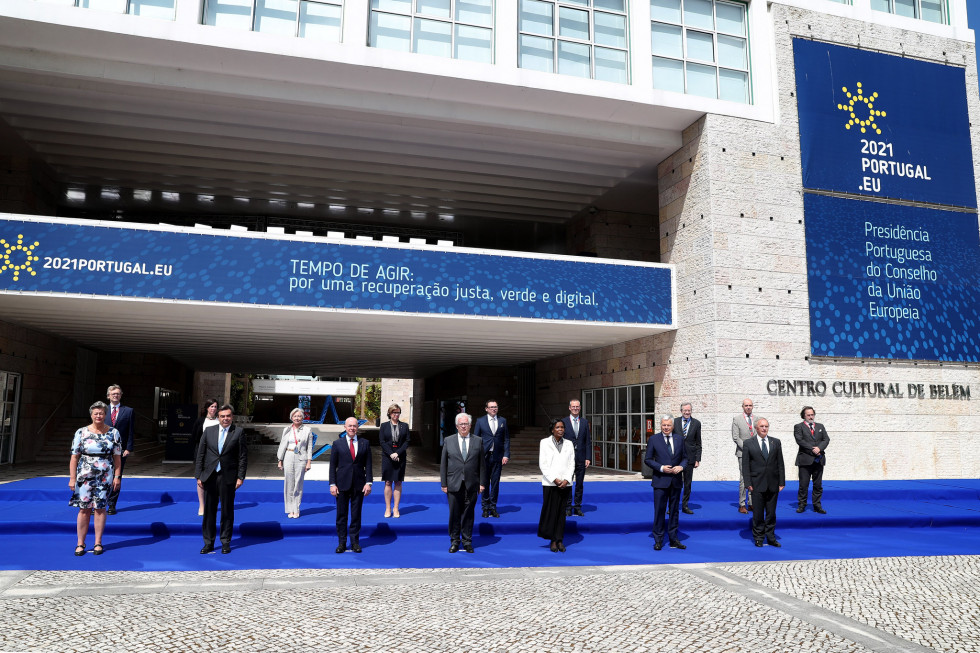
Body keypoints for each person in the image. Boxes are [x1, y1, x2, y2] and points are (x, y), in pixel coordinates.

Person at [69, 401, 122, 556]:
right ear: (91, 415)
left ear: (105, 415)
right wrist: (72, 478)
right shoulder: (81, 432)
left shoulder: (113, 433)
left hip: (105, 475)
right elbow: (74, 457)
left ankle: (98, 542)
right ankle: (80, 543)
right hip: (84, 475)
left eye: (101, 413)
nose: (98, 416)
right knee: (84, 509)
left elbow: (117, 458)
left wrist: (117, 477)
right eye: (96, 413)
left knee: (100, 508)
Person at [196, 404, 248, 554]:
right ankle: (208, 543)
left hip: (228, 477)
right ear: (218, 417)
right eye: (222, 416)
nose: (225, 419)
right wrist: (199, 475)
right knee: (209, 512)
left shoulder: (238, 432)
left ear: (232, 417)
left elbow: (243, 457)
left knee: (227, 510)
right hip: (210, 476)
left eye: (228, 416)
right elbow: (201, 454)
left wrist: (240, 477)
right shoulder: (208, 431)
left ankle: (225, 542)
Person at [440, 412, 487, 553]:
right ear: (457, 426)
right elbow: (443, 464)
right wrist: (444, 483)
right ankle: (454, 541)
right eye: (461, 424)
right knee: (454, 514)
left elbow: (482, 465)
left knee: (468, 514)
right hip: (453, 483)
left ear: (470, 425)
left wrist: (482, 483)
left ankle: (467, 541)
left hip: (472, 484)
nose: (464, 426)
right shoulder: (449, 440)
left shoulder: (478, 441)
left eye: (466, 424)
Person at [329, 417, 373, 553]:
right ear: (345, 427)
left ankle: (355, 542)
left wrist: (369, 483)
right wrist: (332, 484)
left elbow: (369, 465)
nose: (352, 428)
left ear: (357, 427)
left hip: (359, 485)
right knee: (341, 515)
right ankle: (342, 542)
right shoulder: (337, 444)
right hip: (341, 484)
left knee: (356, 515)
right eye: (350, 426)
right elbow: (332, 466)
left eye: (354, 426)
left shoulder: (365, 443)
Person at [644, 415, 688, 550]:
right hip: (660, 482)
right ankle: (658, 539)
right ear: (660, 425)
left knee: (674, 511)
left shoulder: (680, 439)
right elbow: (648, 459)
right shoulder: (653, 439)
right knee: (659, 511)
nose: (666, 427)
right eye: (664, 425)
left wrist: (681, 467)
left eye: (668, 425)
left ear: (673, 426)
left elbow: (685, 458)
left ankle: (674, 539)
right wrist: (661, 468)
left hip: (675, 481)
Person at [741, 417, 785, 547]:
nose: (764, 428)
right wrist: (748, 483)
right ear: (756, 428)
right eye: (762, 426)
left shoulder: (775, 442)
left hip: (773, 484)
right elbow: (745, 465)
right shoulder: (749, 443)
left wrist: (782, 482)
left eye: (766, 426)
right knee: (758, 513)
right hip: (756, 484)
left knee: (771, 513)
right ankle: (759, 537)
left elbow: (780, 463)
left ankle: (771, 537)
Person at [538, 419, 575, 552]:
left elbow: (572, 464)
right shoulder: (544, 442)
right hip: (550, 483)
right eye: (558, 427)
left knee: (561, 513)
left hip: (566, 484)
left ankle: (560, 539)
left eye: (562, 427)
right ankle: (553, 540)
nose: (560, 429)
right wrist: (555, 480)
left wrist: (566, 479)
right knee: (551, 512)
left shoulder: (569, 444)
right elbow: (543, 464)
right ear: (552, 429)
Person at [472, 399, 509, 518]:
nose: (494, 409)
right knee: (484, 482)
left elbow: (506, 439)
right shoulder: (480, 421)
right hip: (484, 456)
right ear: (486, 409)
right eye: (491, 407)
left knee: (495, 483)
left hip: (497, 456)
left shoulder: (503, 421)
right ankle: (485, 507)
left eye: (496, 407)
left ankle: (493, 507)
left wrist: (506, 454)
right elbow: (476, 439)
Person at [277, 408, 314, 518]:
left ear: (303, 417)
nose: (297, 418)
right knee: (289, 483)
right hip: (288, 456)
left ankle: (296, 508)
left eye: (299, 416)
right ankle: (289, 509)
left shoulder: (307, 430)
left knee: (298, 483)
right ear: (291, 417)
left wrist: (309, 462)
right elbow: (282, 445)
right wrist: (280, 460)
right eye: (295, 416)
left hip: (301, 458)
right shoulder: (287, 429)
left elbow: (309, 447)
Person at [104, 384, 134, 515]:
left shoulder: (128, 411)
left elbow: (131, 431)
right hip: (103, 450)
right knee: (102, 476)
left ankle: (112, 504)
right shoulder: (101, 410)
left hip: (120, 450)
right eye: (113, 394)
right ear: (108, 396)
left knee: (117, 476)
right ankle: (98, 503)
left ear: (121, 395)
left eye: (118, 393)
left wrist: (129, 448)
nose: (115, 396)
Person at [794, 406, 829, 514]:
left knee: (818, 485)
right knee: (803, 485)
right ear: (804, 416)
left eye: (812, 414)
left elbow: (826, 439)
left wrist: (819, 448)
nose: (810, 417)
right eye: (808, 415)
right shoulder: (798, 427)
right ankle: (802, 504)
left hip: (819, 459)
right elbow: (800, 440)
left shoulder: (820, 426)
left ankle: (817, 505)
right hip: (805, 460)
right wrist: (813, 449)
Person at [561, 399, 591, 517]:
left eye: (577, 407)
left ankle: (578, 506)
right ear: (569, 408)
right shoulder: (563, 422)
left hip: (581, 458)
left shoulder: (584, 422)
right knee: (568, 483)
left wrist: (588, 457)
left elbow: (587, 441)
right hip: (567, 459)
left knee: (579, 484)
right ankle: (568, 506)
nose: (575, 408)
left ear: (580, 408)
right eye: (573, 407)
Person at [379, 403, 410, 518]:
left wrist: (398, 453)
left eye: (398, 412)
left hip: (400, 457)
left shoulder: (404, 426)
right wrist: (391, 453)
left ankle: (396, 508)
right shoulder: (384, 426)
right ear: (389, 413)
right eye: (394, 412)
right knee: (388, 482)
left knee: (398, 482)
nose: (396, 415)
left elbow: (407, 441)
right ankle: (388, 508)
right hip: (387, 457)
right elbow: (382, 442)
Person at [190, 398, 220, 516]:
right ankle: (202, 506)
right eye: (211, 406)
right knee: (201, 480)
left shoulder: (220, 421)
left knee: (216, 480)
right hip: (202, 455)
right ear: (207, 408)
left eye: (215, 407)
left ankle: (212, 504)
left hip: (216, 456)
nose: (213, 409)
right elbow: (194, 437)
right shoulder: (200, 421)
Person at [674, 402, 701, 515]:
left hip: (690, 458)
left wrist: (697, 459)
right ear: (681, 411)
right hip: (676, 458)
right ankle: (673, 506)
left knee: (687, 483)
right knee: (675, 483)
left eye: (689, 410)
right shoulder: (674, 422)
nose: (687, 412)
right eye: (685, 410)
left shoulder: (696, 423)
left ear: (691, 411)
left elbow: (698, 442)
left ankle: (685, 506)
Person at [731, 397, 755, 514]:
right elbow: (735, 437)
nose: (748, 407)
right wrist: (747, 448)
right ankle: (742, 504)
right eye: (746, 405)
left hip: (755, 454)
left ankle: (751, 503)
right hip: (743, 453)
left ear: (752, 406)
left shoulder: (757, 419)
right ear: (742, 407)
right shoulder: (737, 419)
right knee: (744, 479)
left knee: (754, 478)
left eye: (750, 405)